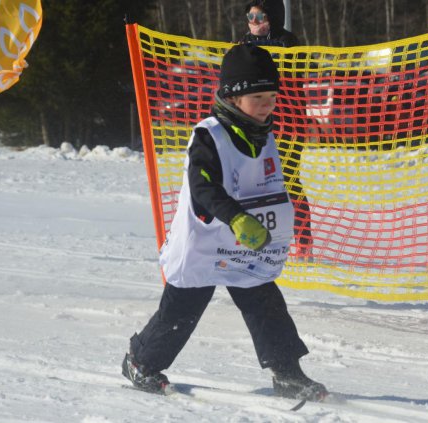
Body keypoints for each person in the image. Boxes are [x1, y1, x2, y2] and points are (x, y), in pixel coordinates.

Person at [121, 44, 327, 402]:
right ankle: (141, 363)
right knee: (181, 311)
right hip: (205, 242)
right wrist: (236, 218)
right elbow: (203, 187)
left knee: (266, 304)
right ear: (233, 97)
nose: (268, 104)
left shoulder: (266, 136)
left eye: (272, 96)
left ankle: (287, 374)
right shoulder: (210, 135)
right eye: (258, 96)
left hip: (246, 247)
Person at [240, 0, 313, 259]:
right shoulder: (243, 44)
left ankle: (303, 243)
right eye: (250, 16)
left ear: (272, 17)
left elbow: (299, 74)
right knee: (254, 184)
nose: (254, 21)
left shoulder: (288, 43)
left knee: (288, 180)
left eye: (260, 16)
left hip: (288, 124)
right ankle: (260, 240)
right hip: (255, 124)